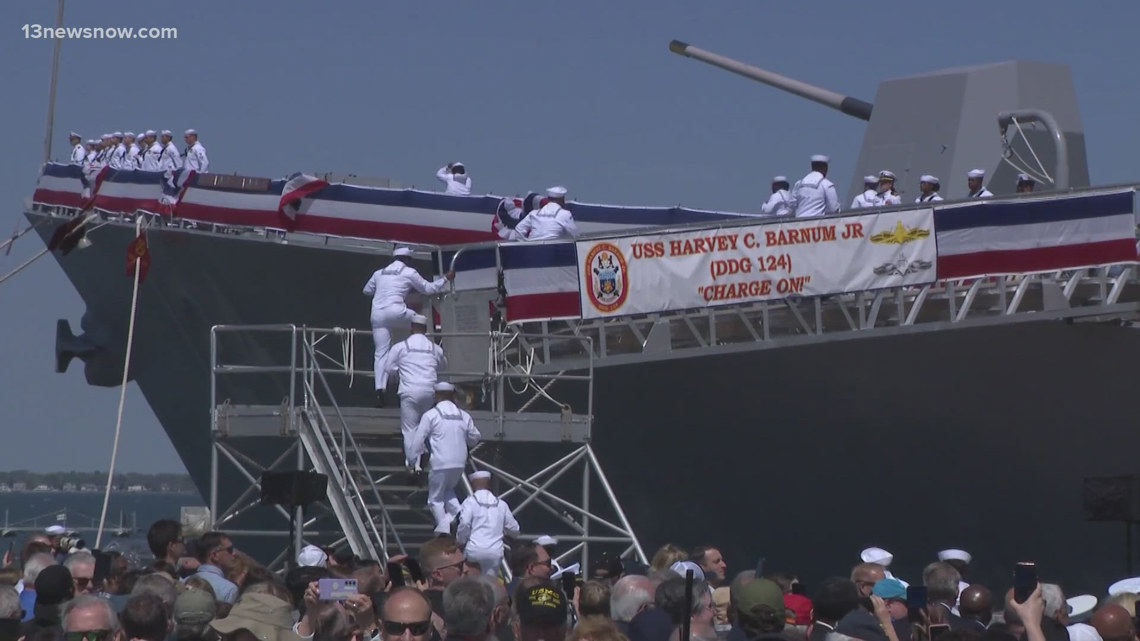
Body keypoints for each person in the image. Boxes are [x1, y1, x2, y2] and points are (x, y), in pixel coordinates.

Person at [363, 247, 454, 407]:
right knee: (420, 321)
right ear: (407, 259)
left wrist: (382, 289)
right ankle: (422, 351)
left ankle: (380, 390)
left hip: (377, 314)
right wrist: (445, 278)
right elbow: (428, 289)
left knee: (380, 353)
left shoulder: (379, 273)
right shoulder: (409, 272)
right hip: (396, 311)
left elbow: (366, 291)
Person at [407, 382, 482, 534]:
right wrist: (464, 441)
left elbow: (418, 440)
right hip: (459, 463)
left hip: (440, 463)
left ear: (436, 396)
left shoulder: (431, 415)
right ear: (453, 396)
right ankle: (459, 514)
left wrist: (412, 461)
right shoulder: (463, 415)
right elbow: (475, 437)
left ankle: (444, 530)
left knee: (435, 499)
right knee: (447, 490)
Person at [383, 314, 448, 463]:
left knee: (409, 429)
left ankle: (413, 463)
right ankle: (426, 452)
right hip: (429, 392)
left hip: (409, 392)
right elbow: (442, 366)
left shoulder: (400, 347)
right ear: (425, 329)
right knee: (425, 427)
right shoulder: (435, 349)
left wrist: (398, 371)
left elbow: (388, 368)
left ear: (411, 329)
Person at [456, 471, 520, 579]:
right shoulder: (501, 504)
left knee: (471, 582)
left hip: (474, 550)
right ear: (489, 484)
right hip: (494, 551)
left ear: (473, 484)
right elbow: (514, 529)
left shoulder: (470, 502)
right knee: (489, 583)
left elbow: (465, 523)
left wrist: (460, 540)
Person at [510, 186, 579, 240]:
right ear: (562, 200)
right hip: (554, 249)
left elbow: (519, 230)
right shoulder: (565, 214)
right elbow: (574, 234)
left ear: (548, 199)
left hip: (533, 248)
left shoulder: (534, 213)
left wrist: (526, 243)